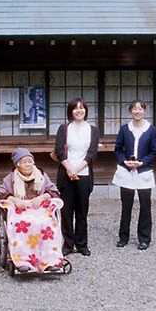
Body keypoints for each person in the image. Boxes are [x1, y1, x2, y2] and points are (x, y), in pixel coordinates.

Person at [0, 148, 65, 273]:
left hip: (39, 209)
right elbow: (0, 195)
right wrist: (15, 200)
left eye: (30, 161)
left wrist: (42, 197)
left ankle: (49, 260)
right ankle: (23, 261)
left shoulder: (41, 176)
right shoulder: (10, 178)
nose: (28, 164)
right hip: (20, 211)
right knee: (21, 226)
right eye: (24, 162)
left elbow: (54, 192)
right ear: (17, 164)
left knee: (47, 224)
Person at [51, 98, 99, 256]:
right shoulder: (64, 129)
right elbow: (59, 151)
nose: (79, 110)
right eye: (75, 108)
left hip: (83, 175)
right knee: (66, 212)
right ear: (70, 111)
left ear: (86, 110)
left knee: (82, 212)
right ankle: (68, 244)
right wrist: (69, 170)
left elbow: (92, 153)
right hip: (66, 175)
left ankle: (82, 244)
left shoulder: (93, 130)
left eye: (82, 108)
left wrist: (76, 169)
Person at [112, 99, 156, 250]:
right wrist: (124, 161)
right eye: (134, 109)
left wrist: (142, 163)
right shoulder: (125, 129)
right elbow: (118, 149)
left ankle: (144, 238)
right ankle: (123, 237)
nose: (137, 111)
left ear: (144, 111)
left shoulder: (151, 130)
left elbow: (154, 151)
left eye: (140, 109)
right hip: (127, 172)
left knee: (145, 206)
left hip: (143, 172)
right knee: (126, 205)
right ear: (131, 111)